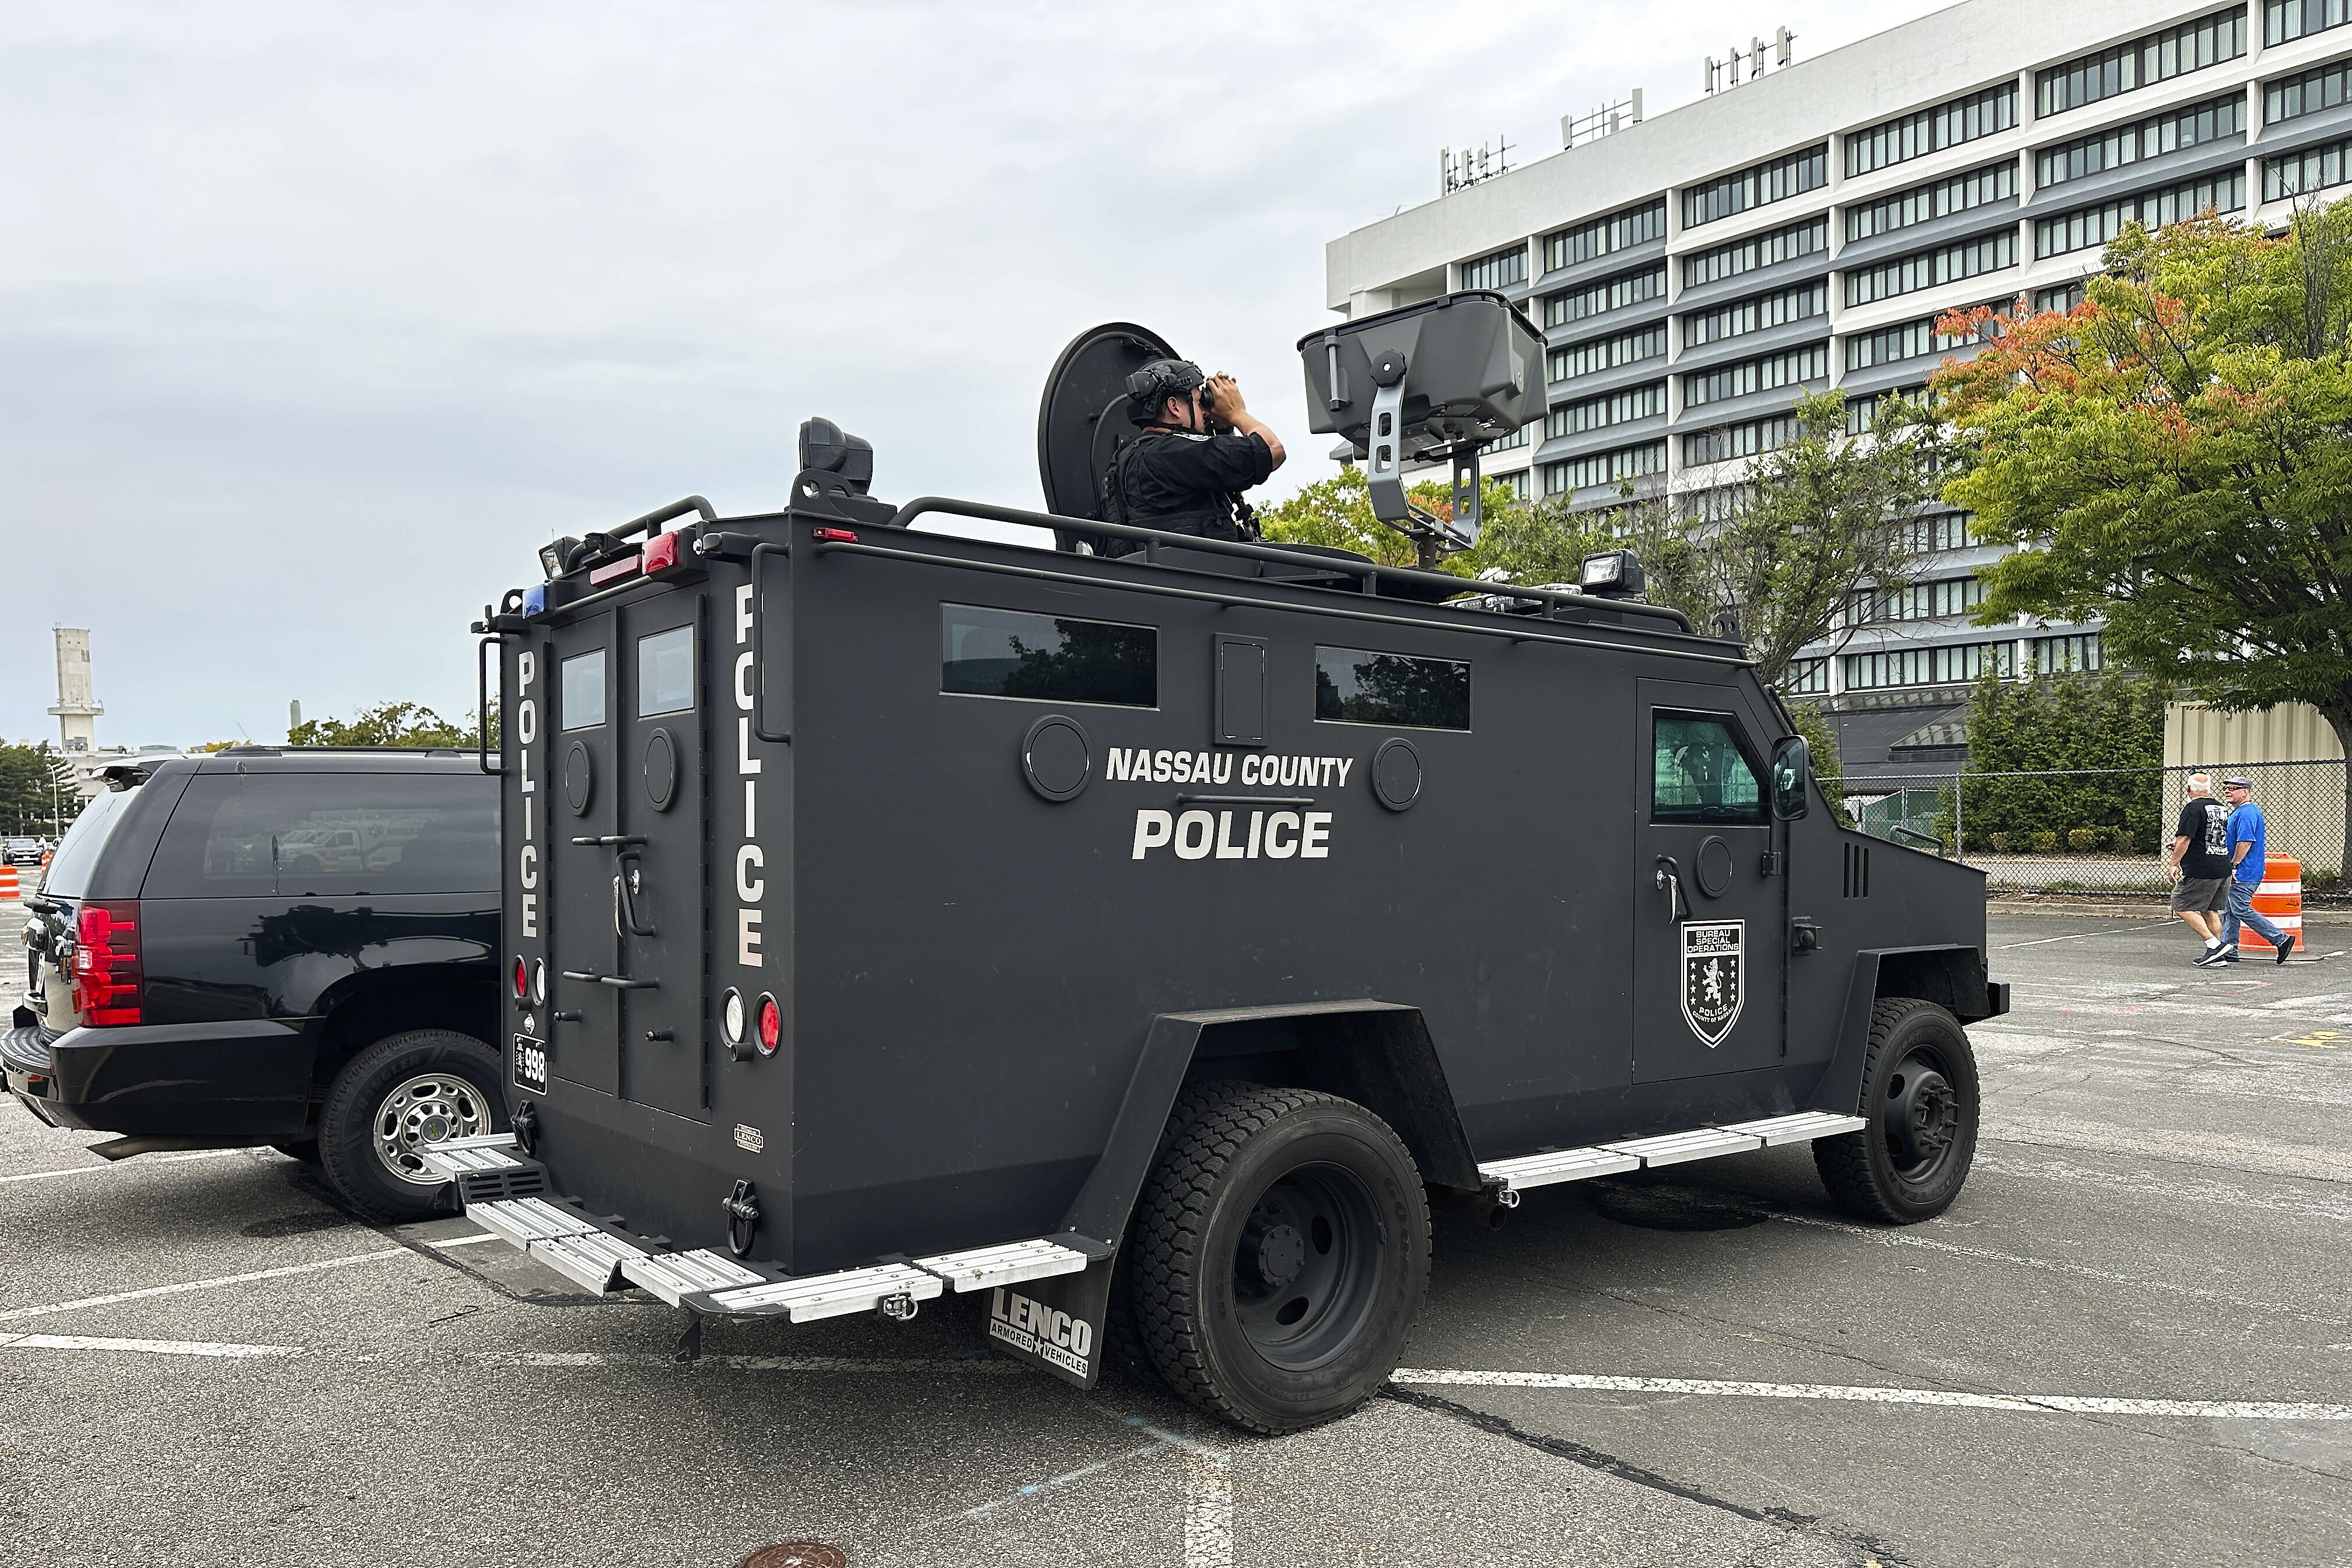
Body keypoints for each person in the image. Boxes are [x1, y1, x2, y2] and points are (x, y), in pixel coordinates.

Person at [1106, 359, 1286, 548]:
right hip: (1206, 574)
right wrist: (1236, 413)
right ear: (1174, 407)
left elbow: (1222, 478)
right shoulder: (1174, 452)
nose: (1206, 412)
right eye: (1201, 403)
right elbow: (1273, 450)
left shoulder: (1131, 458)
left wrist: (1224, 428)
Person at [2216, 774, 2295, 964]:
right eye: (2226, 788)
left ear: (2245, 792)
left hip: (2245, 871)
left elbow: (2246, 841)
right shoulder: (2240, 812)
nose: (2228, 791)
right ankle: (2230, 950)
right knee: (2231, 911)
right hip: (2244, 870)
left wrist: (2234, 865)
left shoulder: (2248, 812)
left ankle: (2280, 939)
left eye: (2233, 788)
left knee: (2240, 908)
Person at [2169, 773, 2234, 967]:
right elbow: (2210, 834)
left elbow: (2185, 839)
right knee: (2210, 910)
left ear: (2188, 790)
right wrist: (2181, 843)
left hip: (2201, 868)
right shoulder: (2221, 808)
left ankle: (2214, 944)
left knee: (2180, 904)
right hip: (2222, 865)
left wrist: (2174, 863)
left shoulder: (2192, 808)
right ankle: (2217, 957)